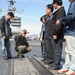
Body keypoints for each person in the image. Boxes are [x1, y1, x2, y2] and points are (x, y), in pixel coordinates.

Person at [56, 0, 75, 74]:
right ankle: (66, 67)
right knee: (68, 51)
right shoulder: (72, 3)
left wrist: (61, 20)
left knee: (72, 52)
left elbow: (71, 16)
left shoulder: (74, 3)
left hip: (71, 31)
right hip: (69, 31)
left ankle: (72, 69)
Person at [48, 0, 66, 70]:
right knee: (55, 49)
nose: (53, 6)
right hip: (54, 34)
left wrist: (55, 33)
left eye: (53, 4)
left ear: (56, 4)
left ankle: (57, 65)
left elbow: (59, 24)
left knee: (57, 50)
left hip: (57, 35)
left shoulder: (60, 11)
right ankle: (55, 63)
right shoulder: (59, 11)